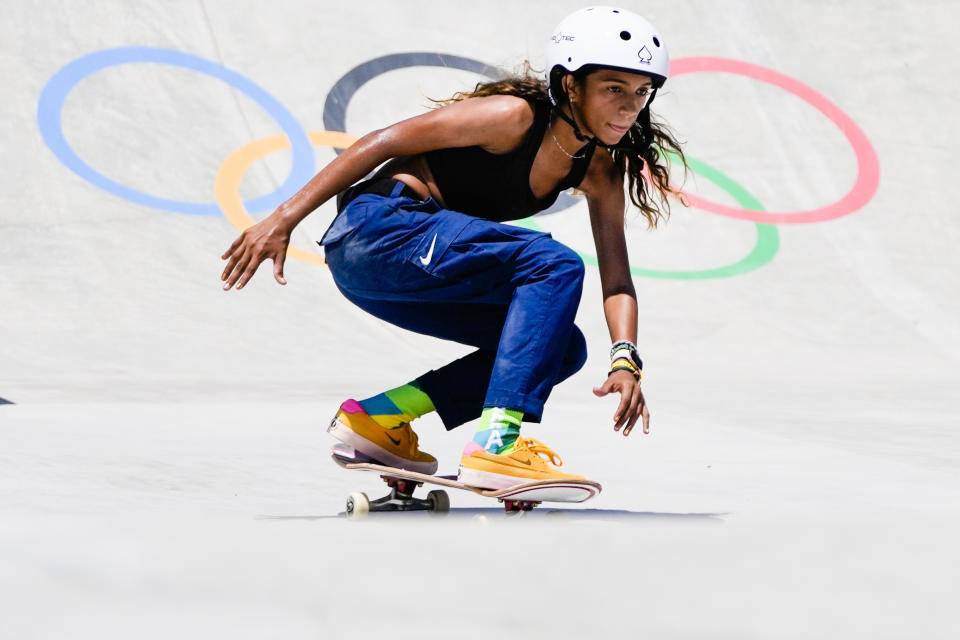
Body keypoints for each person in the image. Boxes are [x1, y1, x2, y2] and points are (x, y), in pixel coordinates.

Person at [220, 6, 687, 490]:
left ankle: (377, 417)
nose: (630, 106)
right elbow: (380, 142)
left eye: (640, 92)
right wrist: (282, 218)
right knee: (554, 264)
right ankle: (497, 444)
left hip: (397, 273)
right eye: (614, 88)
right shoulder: (512, 117)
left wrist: (625, 358)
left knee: (562, 347)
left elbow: (617, 280)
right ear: (571, 84)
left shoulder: (598, 171)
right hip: (381, 229)